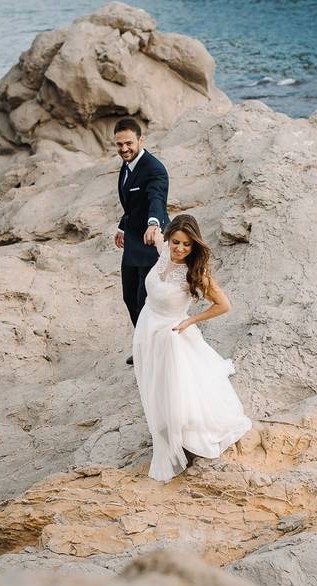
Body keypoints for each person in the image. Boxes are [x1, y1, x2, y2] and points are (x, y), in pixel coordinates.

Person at [133, 214, 252, 482]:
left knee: (177, 388)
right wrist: (151, 224)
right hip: (148, 327)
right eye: (176, 242)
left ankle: (183, 437)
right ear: (169, 238)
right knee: (155, 382)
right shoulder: (163, 251)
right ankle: (164, 425)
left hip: (171, 335)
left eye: (187, 245)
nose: (180, 249)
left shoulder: (194, 272)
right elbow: (155, 234)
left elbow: (224, 305)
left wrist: (190, 320)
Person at [113, 117, 169, 365]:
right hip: (132, 241)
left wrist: (154, 223)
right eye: (119, 145)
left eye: (128, 143)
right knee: (128, 297)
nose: (124, 149)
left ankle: (153, 350)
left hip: (149, 243)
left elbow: (156, 199)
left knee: (144, 300)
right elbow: (132, 206)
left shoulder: (154, 169)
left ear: (140, 140)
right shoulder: (126, 166)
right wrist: (122, 226)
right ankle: (143, 344)